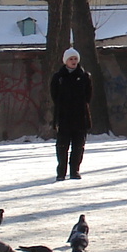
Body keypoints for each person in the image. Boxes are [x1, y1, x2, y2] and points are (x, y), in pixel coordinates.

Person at [50, 47, 93, 181]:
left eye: (75, 59)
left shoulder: (85, 76)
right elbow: (54, 95)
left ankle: (75, 170)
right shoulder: (58, 77)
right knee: (62, 146)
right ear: (65, 61)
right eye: (71, 59)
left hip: (80, 117)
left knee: (78, 146)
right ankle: (61, 172)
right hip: (64, 117)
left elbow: (88, 96)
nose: (73, 61)